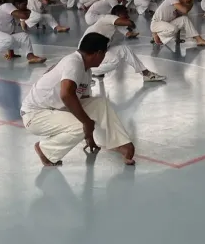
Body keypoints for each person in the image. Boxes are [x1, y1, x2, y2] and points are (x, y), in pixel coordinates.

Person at [20, 33, 136, 167]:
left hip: (56, 108)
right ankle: (46, 150)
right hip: (35, 115)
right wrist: (87, 124)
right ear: (98, 53)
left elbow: (84, 100)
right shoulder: (73, 62)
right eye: (104, 54)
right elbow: (66, 95)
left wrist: (89, 137)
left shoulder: (86, 70)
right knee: (81, 125)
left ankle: (120, 143)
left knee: (99, 104)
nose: (104, 58)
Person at [82, 6, 165, 83]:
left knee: (124, 49)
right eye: (125, 14)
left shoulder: (114, 24)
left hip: (99, 50)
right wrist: (130, 23)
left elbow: (127, 33)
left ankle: (146, 74)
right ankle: (86, 72)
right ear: (118, 14)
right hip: (88, 53)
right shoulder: (108, 18)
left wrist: (132, 32)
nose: (128, 16)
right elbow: (129, 23)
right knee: (115, 60)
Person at [0, 0, 47, 64]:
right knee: (7, 39)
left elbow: (11, 34)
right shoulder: (7, 6)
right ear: (18, 4)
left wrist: (11, 53)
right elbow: (24, 16)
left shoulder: (13, 18)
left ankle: (31, 57)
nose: (26, 7)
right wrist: (29, 11)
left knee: (24, 36)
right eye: (24, 5)